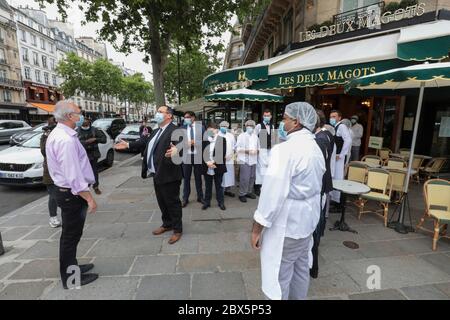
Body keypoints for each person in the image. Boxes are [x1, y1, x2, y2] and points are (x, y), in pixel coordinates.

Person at [251, 102, 325, 300]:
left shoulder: (285, 150)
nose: (282, 122)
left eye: (284, 118)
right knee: (300, 268)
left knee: (279, 275)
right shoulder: (315, 147)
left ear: (296, 121)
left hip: (289, 224)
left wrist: (257, 228)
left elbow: (271, 194)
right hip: (308, 220)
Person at [46, 100, 98, 289]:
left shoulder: (63, 134)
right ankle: (71, 278)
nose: (81, 114)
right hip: (71, 194)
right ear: (69, 116)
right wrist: (89, 198)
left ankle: (72, 266)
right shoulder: (65, 140)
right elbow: (73, 175)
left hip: (67, 192)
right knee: (70, 236)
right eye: (78, 112)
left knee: (71, 235)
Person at [115, 106, 183, 245]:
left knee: (172, 202)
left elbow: (182, 146)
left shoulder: (175, 130)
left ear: (169, 115)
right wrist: (128, 145)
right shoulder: (156, 130)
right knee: (161, 201)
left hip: (169, 174)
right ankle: (167, 224)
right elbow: (144, 142)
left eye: (160, 112)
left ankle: (177, 229)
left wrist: (178, 150)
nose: (157, 114)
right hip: (156, 173)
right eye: (157, 111)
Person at [311, 109, 335, 279]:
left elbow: (317, 168)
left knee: (314, 227)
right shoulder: (327, 135)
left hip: (319, 187)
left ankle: (313, 267)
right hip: (324, 185)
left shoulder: (319, 140)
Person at [181, 111, 205, 208]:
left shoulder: (201, 127)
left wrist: (197, 142)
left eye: (187, 117)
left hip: (197, 155)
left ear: (193, 118)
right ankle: (185, 198)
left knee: (198, 177)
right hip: (186, 156)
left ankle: (200, 196)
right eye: (185, 117)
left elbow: (206, 140)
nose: (186, 119)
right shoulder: (182, 128)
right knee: (186, 178)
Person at [40, 115, 61, 228]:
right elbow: (44, 152)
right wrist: (47, 137)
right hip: (50, 171)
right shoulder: (44, 137)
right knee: (53, 195)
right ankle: (53, 217)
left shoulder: (61, 135)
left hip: (62, 170)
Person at [77, 118, 107, 195]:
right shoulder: (77, 131)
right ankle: (86, 187)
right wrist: (85, 142)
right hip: (83, 155)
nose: (85, 123)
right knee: (84, 172)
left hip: (94, 154)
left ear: (89, 122)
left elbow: (104, 139)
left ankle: (96, 186)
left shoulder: (94, 130)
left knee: (94, 171)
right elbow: (74, 142)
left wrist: (95, 139)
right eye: (83, 121)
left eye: (87, 121)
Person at [329, 110, 352, 209]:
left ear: (339, 117)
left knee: (338, 177)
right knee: (334, 177)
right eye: (331, 116)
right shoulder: (333, 127)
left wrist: (341, 154)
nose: (332, 118)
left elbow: (348, 140)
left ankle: (338, 203)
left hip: (338, 157)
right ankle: (334, 199)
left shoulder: (341, 126)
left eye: (334, 116)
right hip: (334, 156)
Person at [202, 123, 227, 211]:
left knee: (219, 186)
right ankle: (207, 202)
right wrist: (208, 162)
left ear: (216, 130)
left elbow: (222, 153)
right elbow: (202, 153)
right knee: (207, 186)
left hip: (218, 166)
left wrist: (213, 162)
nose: (209, 132)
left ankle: (221, 202)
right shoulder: (205, 140)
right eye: (208, 130)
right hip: (207, 165)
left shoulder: (222, 139)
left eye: (211, 130)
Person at [236, 120, 259, 203]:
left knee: (252, 177)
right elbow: (237, 148)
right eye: (248, 125)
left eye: (251, 125)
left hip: (254, 159)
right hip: (244, 159)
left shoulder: (255, 136)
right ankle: (242, 194)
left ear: (253, 127)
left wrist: (257, 151)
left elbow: (258, 147)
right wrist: (247, 151)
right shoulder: (241, 136)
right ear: (245, 126)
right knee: (244, 178)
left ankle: (249, 192)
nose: (250, 127)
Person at [254, 109, 275, 196]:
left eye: (268, 116)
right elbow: (254, 138)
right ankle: (257, 187)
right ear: (263, 116)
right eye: (265, 115)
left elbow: (273, 138)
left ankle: (265, 186)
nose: (267, 117)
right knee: (260, 169)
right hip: (261, 149)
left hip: (269, 149)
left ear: (271, 117)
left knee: (268, 167)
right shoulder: (259, 126)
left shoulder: (272, 126)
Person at [218, 121, 236, 197]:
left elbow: (235, 146)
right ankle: (220, 191)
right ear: (220, 126)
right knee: (221, 176)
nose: (224, 127)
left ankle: (227, 190)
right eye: (223, 126)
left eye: (225, 126)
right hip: (220, 159)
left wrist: (232, 156)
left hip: (230, 159)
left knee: (229, 175)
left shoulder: (231, 136)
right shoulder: (217, 135)